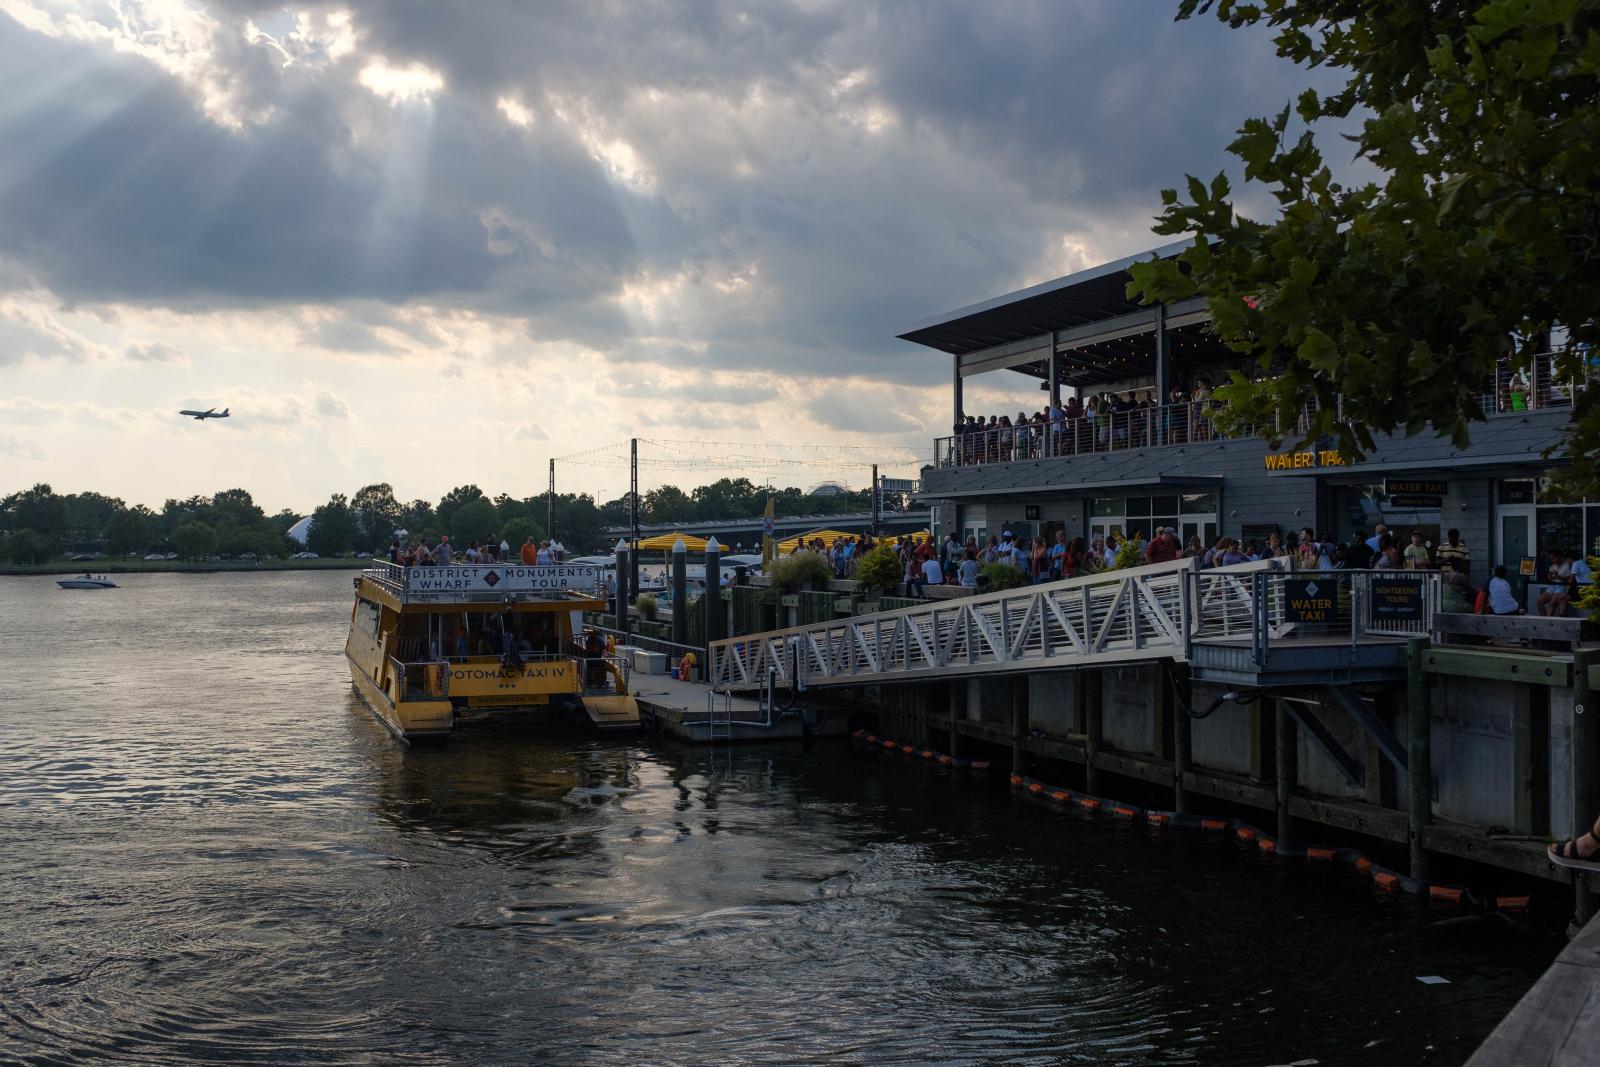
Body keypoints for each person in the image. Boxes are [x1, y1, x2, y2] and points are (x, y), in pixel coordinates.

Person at [1539, 549, 1575, 617]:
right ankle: (1543, 619)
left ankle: (1548, 620)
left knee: (1552, 603)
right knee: (1539, 602)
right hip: (1552, 587)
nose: (1552, 561)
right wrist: (1549, 577)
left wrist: (1558, 576)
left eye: (1553, 559)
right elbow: (1550, 579)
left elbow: (1568, 580)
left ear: (1559, 557)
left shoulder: (1567, 566)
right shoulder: (1552, 566)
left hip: (1561, 587)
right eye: (1551, 559)